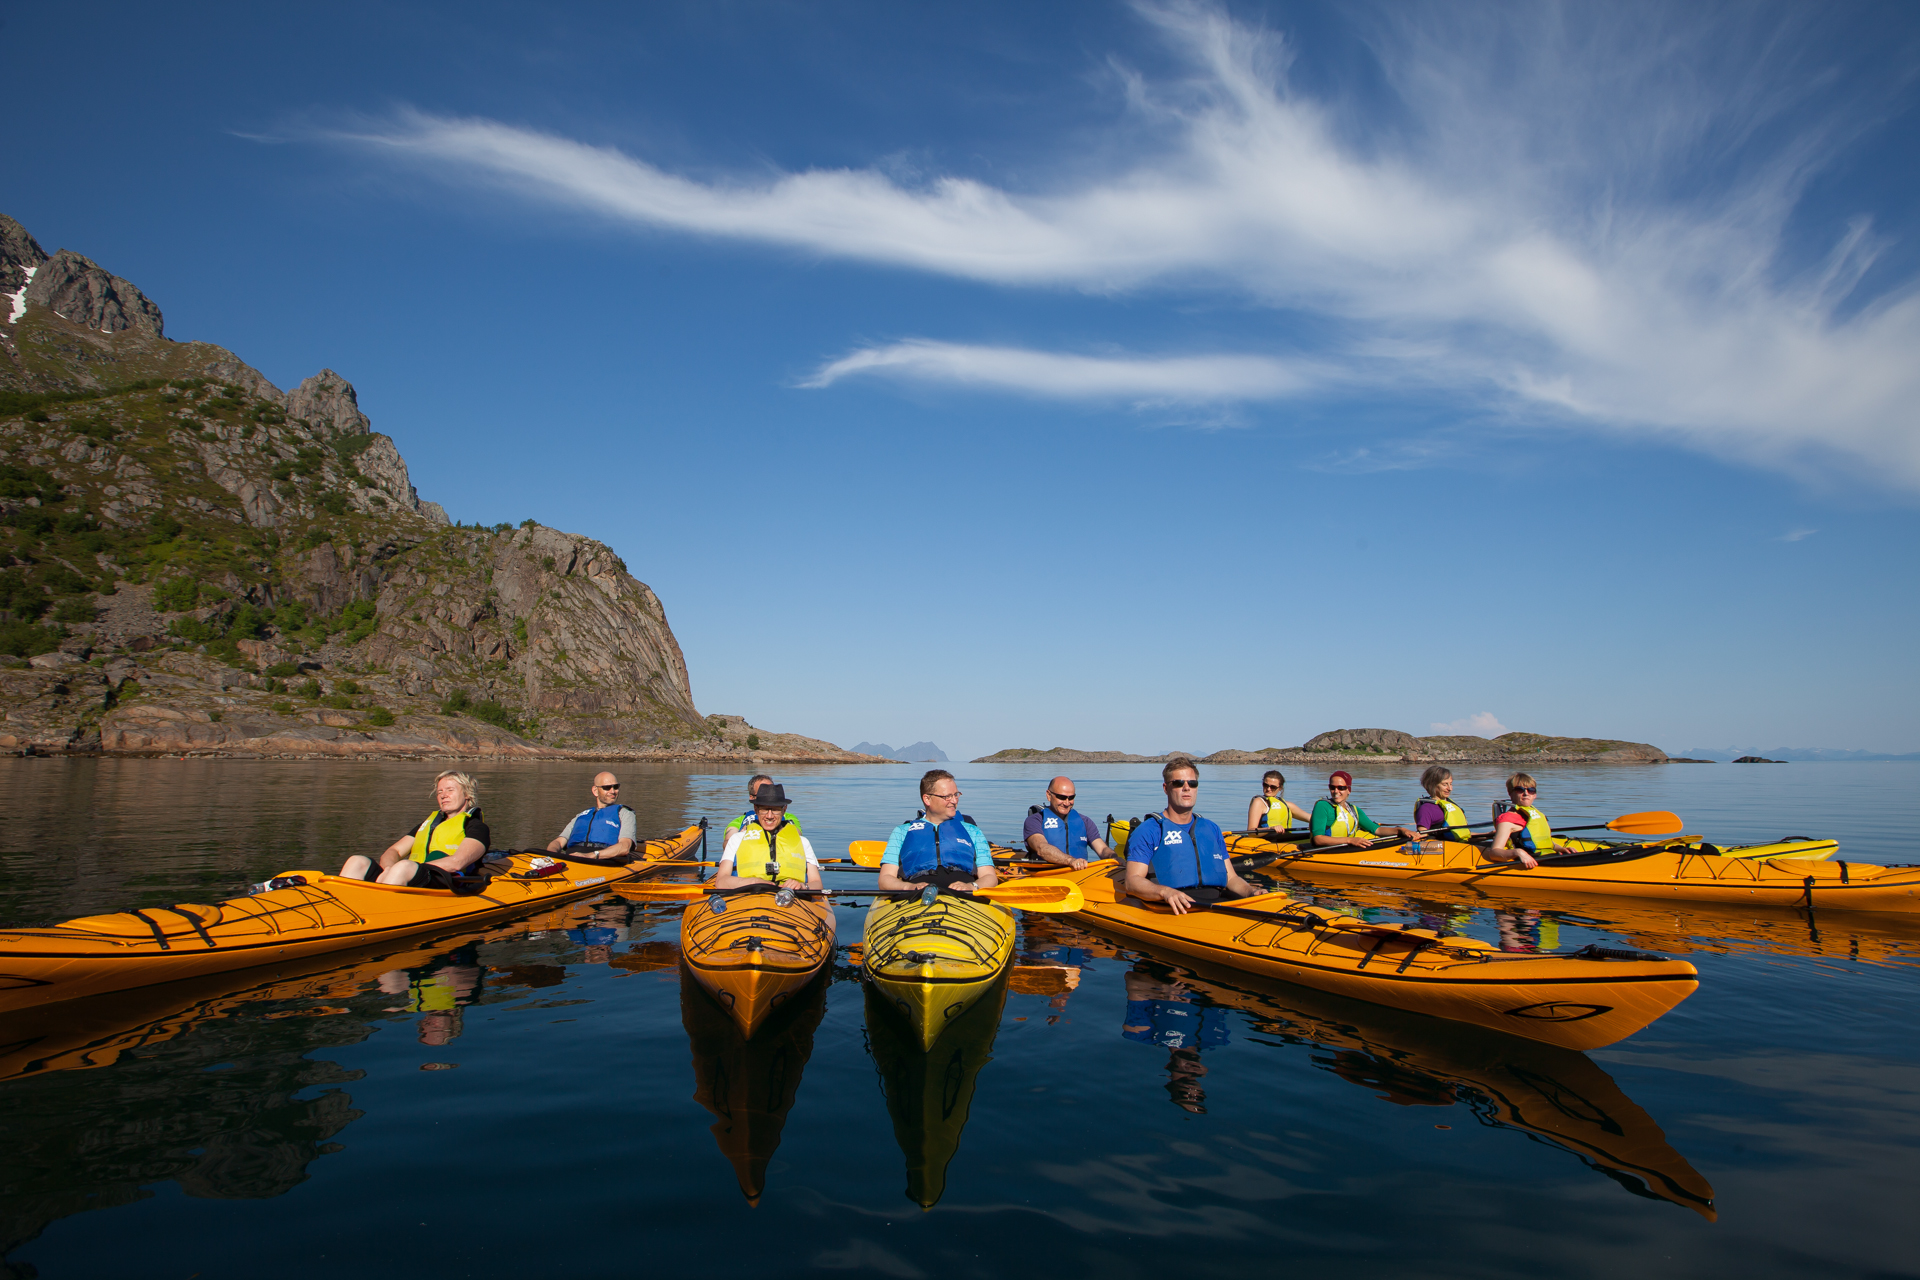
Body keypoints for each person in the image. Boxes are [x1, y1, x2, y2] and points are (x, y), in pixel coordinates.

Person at [1123, 757, 1255, 915]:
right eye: (1179, 783)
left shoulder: (1211, 828)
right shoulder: (1149, 830)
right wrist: (1165, 892)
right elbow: (1132, 881)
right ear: (1166, 788)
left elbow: (1231, 879)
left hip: (1218, 901)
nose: (1187, 788)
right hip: (1174, 905)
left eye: (1192, 783)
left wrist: (1251, 891)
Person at [339, 771, 490, 889]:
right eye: (440, 792)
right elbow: (394, 852)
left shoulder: (476, 827)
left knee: (404, 866)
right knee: (357, 861)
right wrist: (389, 868)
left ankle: (380, 911)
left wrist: (406, 868)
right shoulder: (428, 825)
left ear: (467, 794)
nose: (443, 795)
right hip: (409, 874)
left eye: (450, 790)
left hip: (443, 881)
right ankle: (341, 905)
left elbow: (457, 862)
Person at [877, 770, 999, 892]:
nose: (954, 801)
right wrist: (908, 886)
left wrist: (972, 886)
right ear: (927, 799)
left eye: (956, 794)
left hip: (964, 893)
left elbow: (989, 876)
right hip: (916, 893)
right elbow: (885, 879)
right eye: (947, 796)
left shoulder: (973, 831)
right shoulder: (901, 832)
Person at [715, 783, 823, 891]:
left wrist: (803, 886)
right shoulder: (737, 839)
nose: (769, 816)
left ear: (784, 810)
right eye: (764, 809)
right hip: (748, 897)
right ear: (756, 809)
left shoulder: (803, 842)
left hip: (791, 898)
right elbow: (721, 881)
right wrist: (753, 882)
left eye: (775, 810)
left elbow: (817, 884)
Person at [1308, 771, 1420, 850]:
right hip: (1328, 851)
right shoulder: (1323, 806)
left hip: (1346, 849)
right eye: (1332, 787)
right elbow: (1318, 839)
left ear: (1349, 790)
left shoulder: (1353, 810)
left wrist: (1401, 830)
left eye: (1341, 788)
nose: (1336, 791)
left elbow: (1377, 830)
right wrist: (1350, 840)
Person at [1024, 776, 1114, 869]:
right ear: (1049, 795)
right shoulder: (1034, 821)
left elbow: (1102, 849)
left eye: (1071, 798)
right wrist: (1071, 861)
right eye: (1062, 797)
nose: (1067, 803)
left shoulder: (1085, 821)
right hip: (1045, 875)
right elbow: (1041, 848)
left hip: (1079, 875)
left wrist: (1114, 857)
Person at [1487, 773, 1573, 869]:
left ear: (1535, 795)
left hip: (1549, 856)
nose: (1526, 793)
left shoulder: (1535, 814)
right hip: (1533, 861)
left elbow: (1543, 842)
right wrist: (1518, 852)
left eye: (1531, 790)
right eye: (1520, 790)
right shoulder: (1507, 820)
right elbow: (1494, 852)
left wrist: (1562, 849)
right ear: (1510, 793)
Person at [546, 771, 635, 860]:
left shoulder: (625, 813)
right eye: (607, 787)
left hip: (602, 859)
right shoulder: (581, 816)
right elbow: (558, 842)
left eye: (616, 787)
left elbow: (624, 847)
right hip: (572, 857)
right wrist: (551, 855)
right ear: (595, 791)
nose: (612, 791)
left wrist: (591, 855)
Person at [1412, 766, 1473, 842]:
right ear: (1432, 785)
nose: (1450, 788)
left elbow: (1462, 834)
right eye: (1445, 785)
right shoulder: (1426, 809)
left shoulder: (1450, 804)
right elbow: (1422, 836)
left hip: (1461, 844)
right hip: (1443, 849)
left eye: (1450, 784)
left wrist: (1487, 834)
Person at [1246, 770, 1311, 833]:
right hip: (1265, 841)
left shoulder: (1287, 805)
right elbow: (1251, 831)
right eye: (1265, 785)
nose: (1268, 789)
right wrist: (1271, 828)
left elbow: (1312, 819)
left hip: (1284, 840)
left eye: (1273, 787)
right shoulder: (1258, 802)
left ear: (1280, 788)